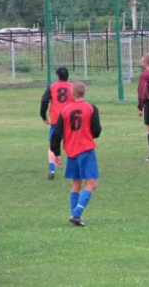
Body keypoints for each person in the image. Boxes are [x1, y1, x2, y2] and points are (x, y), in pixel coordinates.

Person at [50, 81, 102, 227]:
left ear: (72, 94)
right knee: (91, 184)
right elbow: (97, 131)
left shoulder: (65, 110)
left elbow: (57, 133)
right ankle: (76, 214)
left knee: (76, 184)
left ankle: (74, 215)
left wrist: (56, 152)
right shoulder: (91, 108)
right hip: (86, 150)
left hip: (71, 151)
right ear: (84, 93)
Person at [40, 67, 73, 180]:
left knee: (52, 145)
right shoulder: (72, 87)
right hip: (69, 120)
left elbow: (44, 101)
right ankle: (73, 169)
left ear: (57, 76)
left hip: (56, 120)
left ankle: (52, 169)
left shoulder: (52, 87)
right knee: (71, 144)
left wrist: (43, 116)